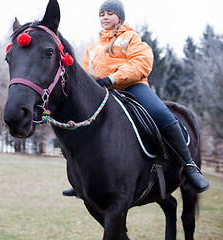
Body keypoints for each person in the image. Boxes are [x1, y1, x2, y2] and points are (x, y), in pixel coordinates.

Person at [63, 0, 209, 197]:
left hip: (133, 87)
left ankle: (189, 166)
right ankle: (82, 177)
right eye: (102, 14)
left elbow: (140, 64)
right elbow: (86, 73)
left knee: (161, 114)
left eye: (109, 13)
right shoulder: (93, 48)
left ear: (119, 17)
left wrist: (112, 78)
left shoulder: (132, 38)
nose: (105, 17)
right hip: (104, 92)